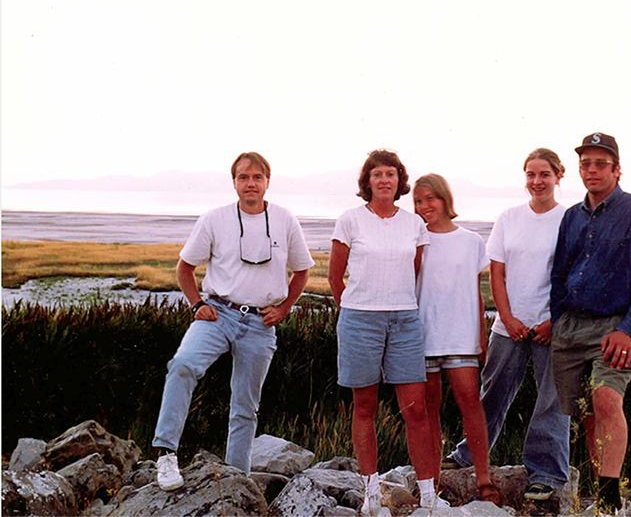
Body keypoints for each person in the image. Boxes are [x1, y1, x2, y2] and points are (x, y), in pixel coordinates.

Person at [151, 152, 314, 491]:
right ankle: (166, 455)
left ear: (267, 181)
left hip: (260, 325)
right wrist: (197, 304)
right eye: (243, 177)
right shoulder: (215, 219)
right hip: (218, 314)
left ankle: (235, 480)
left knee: (245, 407)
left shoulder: (285, 220)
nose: (250, 183)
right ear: (235, 182)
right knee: (182, 365)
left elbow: (302, 270)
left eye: (257, 177)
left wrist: (283, 309)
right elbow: (184, 268)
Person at [550, 132, 631, 512]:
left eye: (601, 164)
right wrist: (557, 321)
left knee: (606, 398)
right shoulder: (572, 216)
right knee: (586, 410)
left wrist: (629, 330)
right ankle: (594, 490)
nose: (592, 170)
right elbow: (559, 274)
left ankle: (608, 498)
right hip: (571, 327)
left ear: (618, 170)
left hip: (615, 326)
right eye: (586, 164)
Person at [445, 148, 572, 501]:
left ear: (559, 176)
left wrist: (553, 321)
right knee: (492, 394)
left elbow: (576, 277)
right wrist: (509, 317)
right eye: (530, 175)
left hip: (553, 328)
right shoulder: (509, 218)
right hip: (509, 327)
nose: (536, 181)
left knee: (552, 401)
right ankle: (467, 456)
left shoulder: (571, 219)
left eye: (544, 174)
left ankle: (546, 474)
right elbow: (496, 272)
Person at [327, 149, 443, 515]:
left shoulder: (414, 225)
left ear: (399, 180)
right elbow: (334, 277)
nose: (384, 180)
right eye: (377, 174)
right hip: (360, 320)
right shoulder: (350, 220)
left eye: (390, 174)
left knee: (416, 408)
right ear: (368, 181)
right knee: (364, 407)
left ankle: (428, 495)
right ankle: (371, 493)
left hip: (405, 321)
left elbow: (416, 271)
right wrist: (354, 311)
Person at [413, 174, 502, 505]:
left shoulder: (471, 240)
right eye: (418, 201)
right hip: (424, 335)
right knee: (429, 408)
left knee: (470, 402)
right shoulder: (415, 239)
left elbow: (477, 293)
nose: (424, 207)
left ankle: (483, 477)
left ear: (444, 199)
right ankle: (432, 480)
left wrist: (481, 335)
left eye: (429, 199)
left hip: (461, 335)